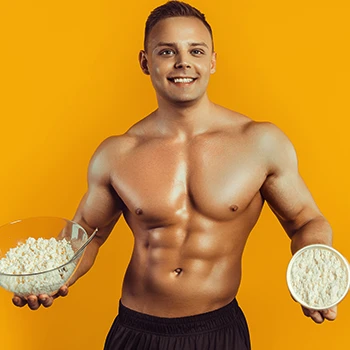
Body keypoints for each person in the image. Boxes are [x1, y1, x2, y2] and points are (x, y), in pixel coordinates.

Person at [12, 1, 337, 349]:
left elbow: (306, 220)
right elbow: (84, 237)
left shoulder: (260, 143)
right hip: (137, 330)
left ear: (212, 61)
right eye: (167, 51)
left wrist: (315, 269)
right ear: (145, 62)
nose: (183, 62)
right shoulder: (117, 153)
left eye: (196, 50)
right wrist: (55, 278)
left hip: (219, 330)